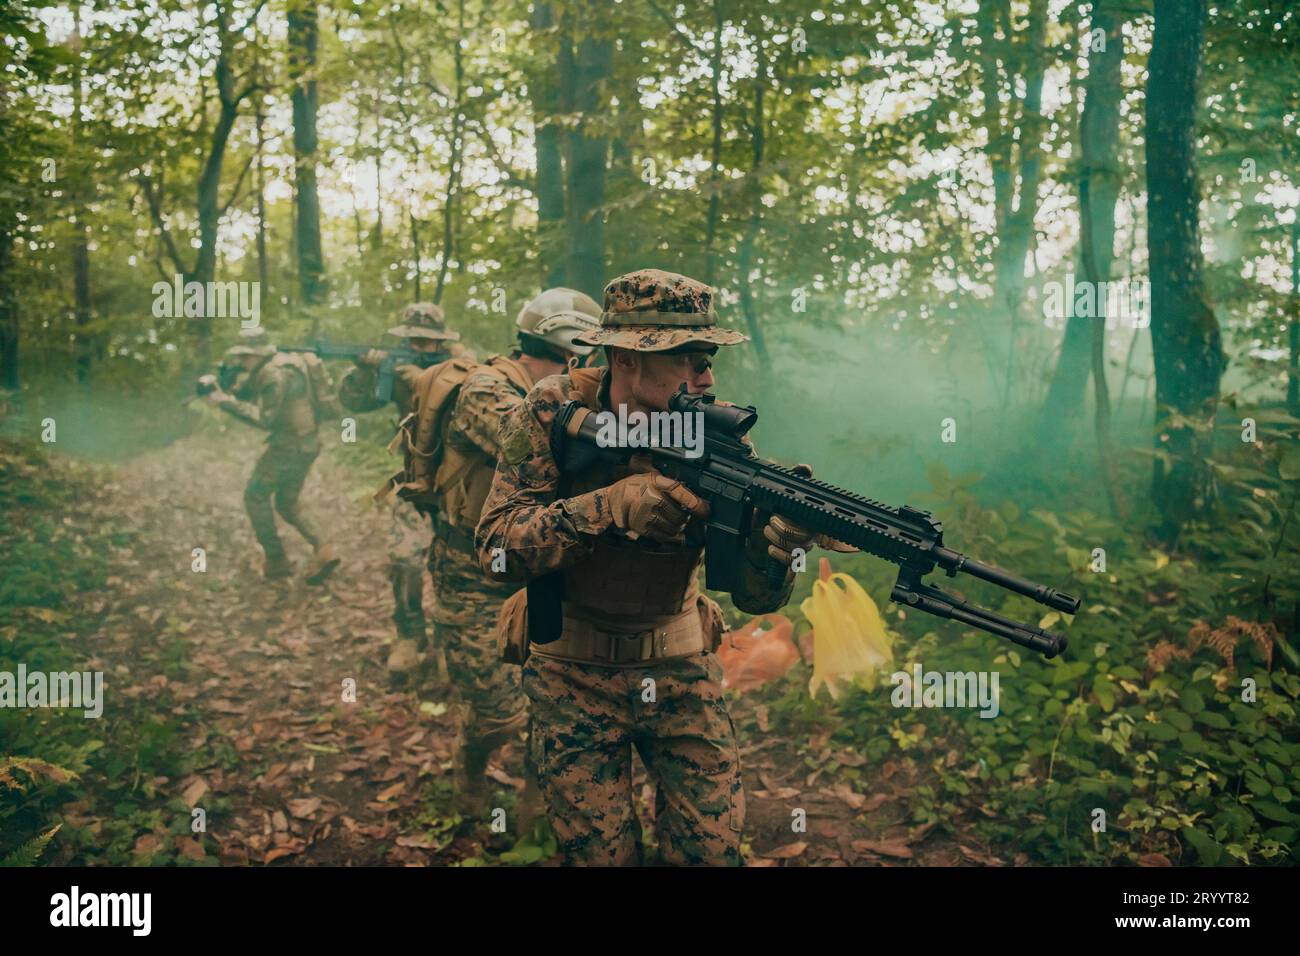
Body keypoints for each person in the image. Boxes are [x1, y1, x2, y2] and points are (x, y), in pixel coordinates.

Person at [475, 269, 818, 865]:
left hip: (681, 669)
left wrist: (782, 549)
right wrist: (607, 507)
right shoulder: (552, 409)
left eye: (708, 357)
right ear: (624, 359)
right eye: (687, 358)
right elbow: (497, 547)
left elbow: (758, 602)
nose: (706, 376)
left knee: (710, 855)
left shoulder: (716, 435)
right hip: (571, 676)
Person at [428, 288, 601, 817]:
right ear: (574, 345)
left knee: (548, 703)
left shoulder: (576, 397)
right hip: (473, 574)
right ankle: (470, 766)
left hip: (544, 566)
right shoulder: (486, 388)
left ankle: (533, 806)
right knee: (495, 707)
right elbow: (529, 440)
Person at [338, 302, 464, 680]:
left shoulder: (463, 369)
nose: (421, 348)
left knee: (454, 564)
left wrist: (424, 375)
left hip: (457, 484)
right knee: (403, 557)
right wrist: (366, 369)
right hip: (414, 479)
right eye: (414, 341)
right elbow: (354, 403)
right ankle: (410, 636)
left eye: (428, 343)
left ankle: (449, 642)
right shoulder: (395, 370)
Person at [206, 328, 341, 584]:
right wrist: (230, 387)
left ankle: (276, 560)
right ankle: (324, 548)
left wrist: (224, 401)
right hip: (308, 443)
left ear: (258, 354)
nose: (243, 362)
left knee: (255, 495)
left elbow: (264, 418)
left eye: (246, 356)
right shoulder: (287, 362)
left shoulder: (273, 374)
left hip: (288, 448)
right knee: (287, 503)